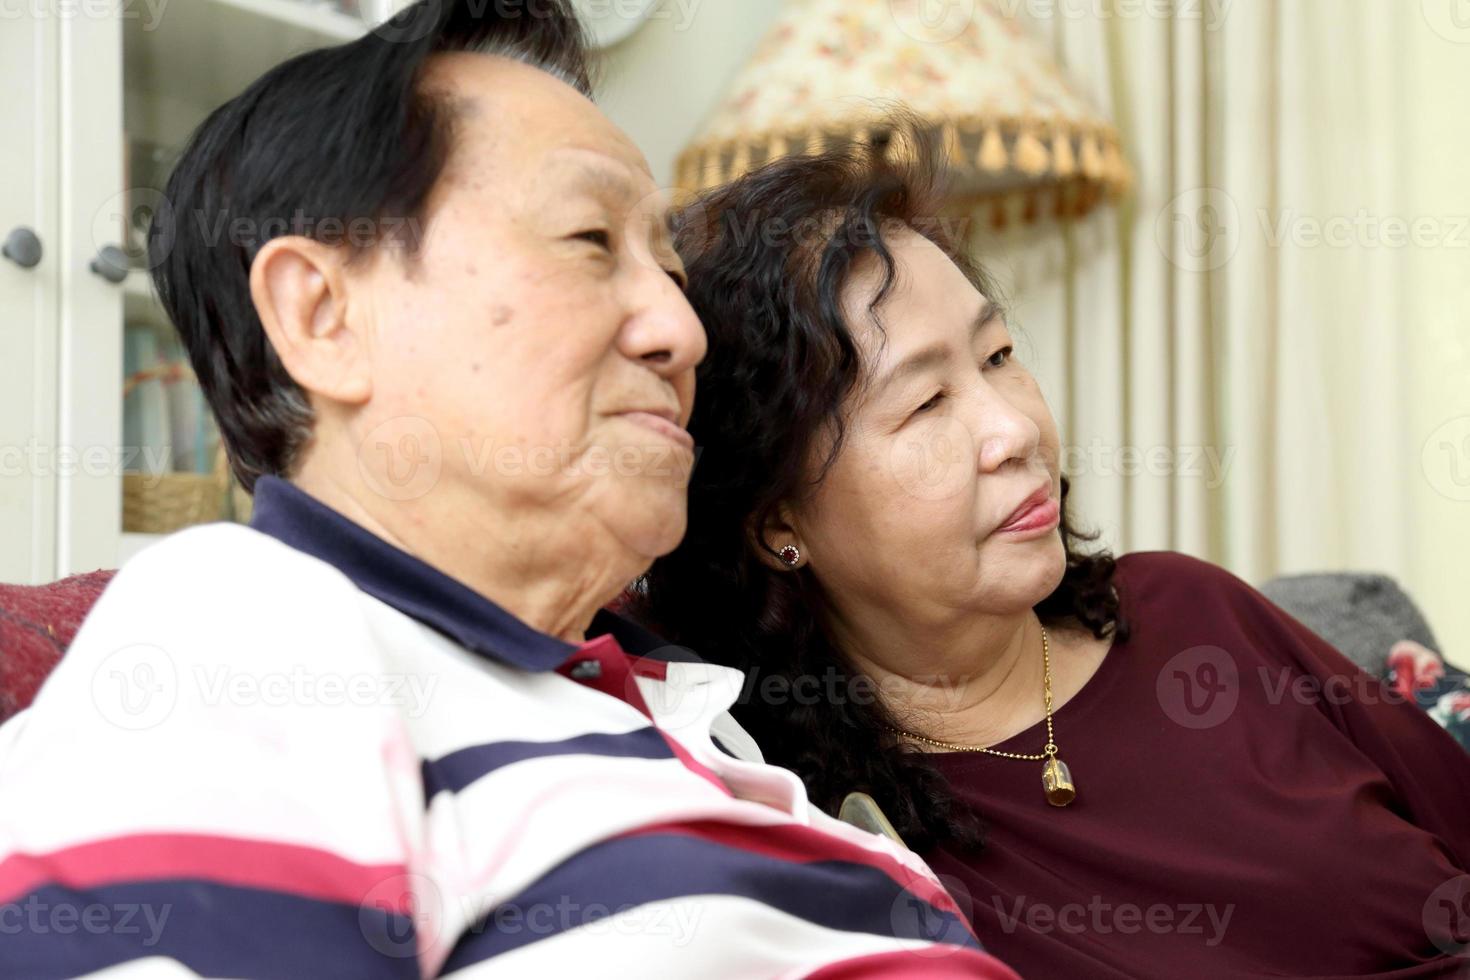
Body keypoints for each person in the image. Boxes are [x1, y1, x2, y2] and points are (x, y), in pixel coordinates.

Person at [0, 6, 1019, 977]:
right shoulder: (244, 628)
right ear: (321, 315)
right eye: (589, 243)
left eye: (666, 267)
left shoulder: (667, 696)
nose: (683, 330)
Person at [635, 133, 1470, 978]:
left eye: (999, 355)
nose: (1016, 430)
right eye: (925, 402)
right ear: (777, 520)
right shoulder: (840, 847)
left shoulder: (1193, 612)